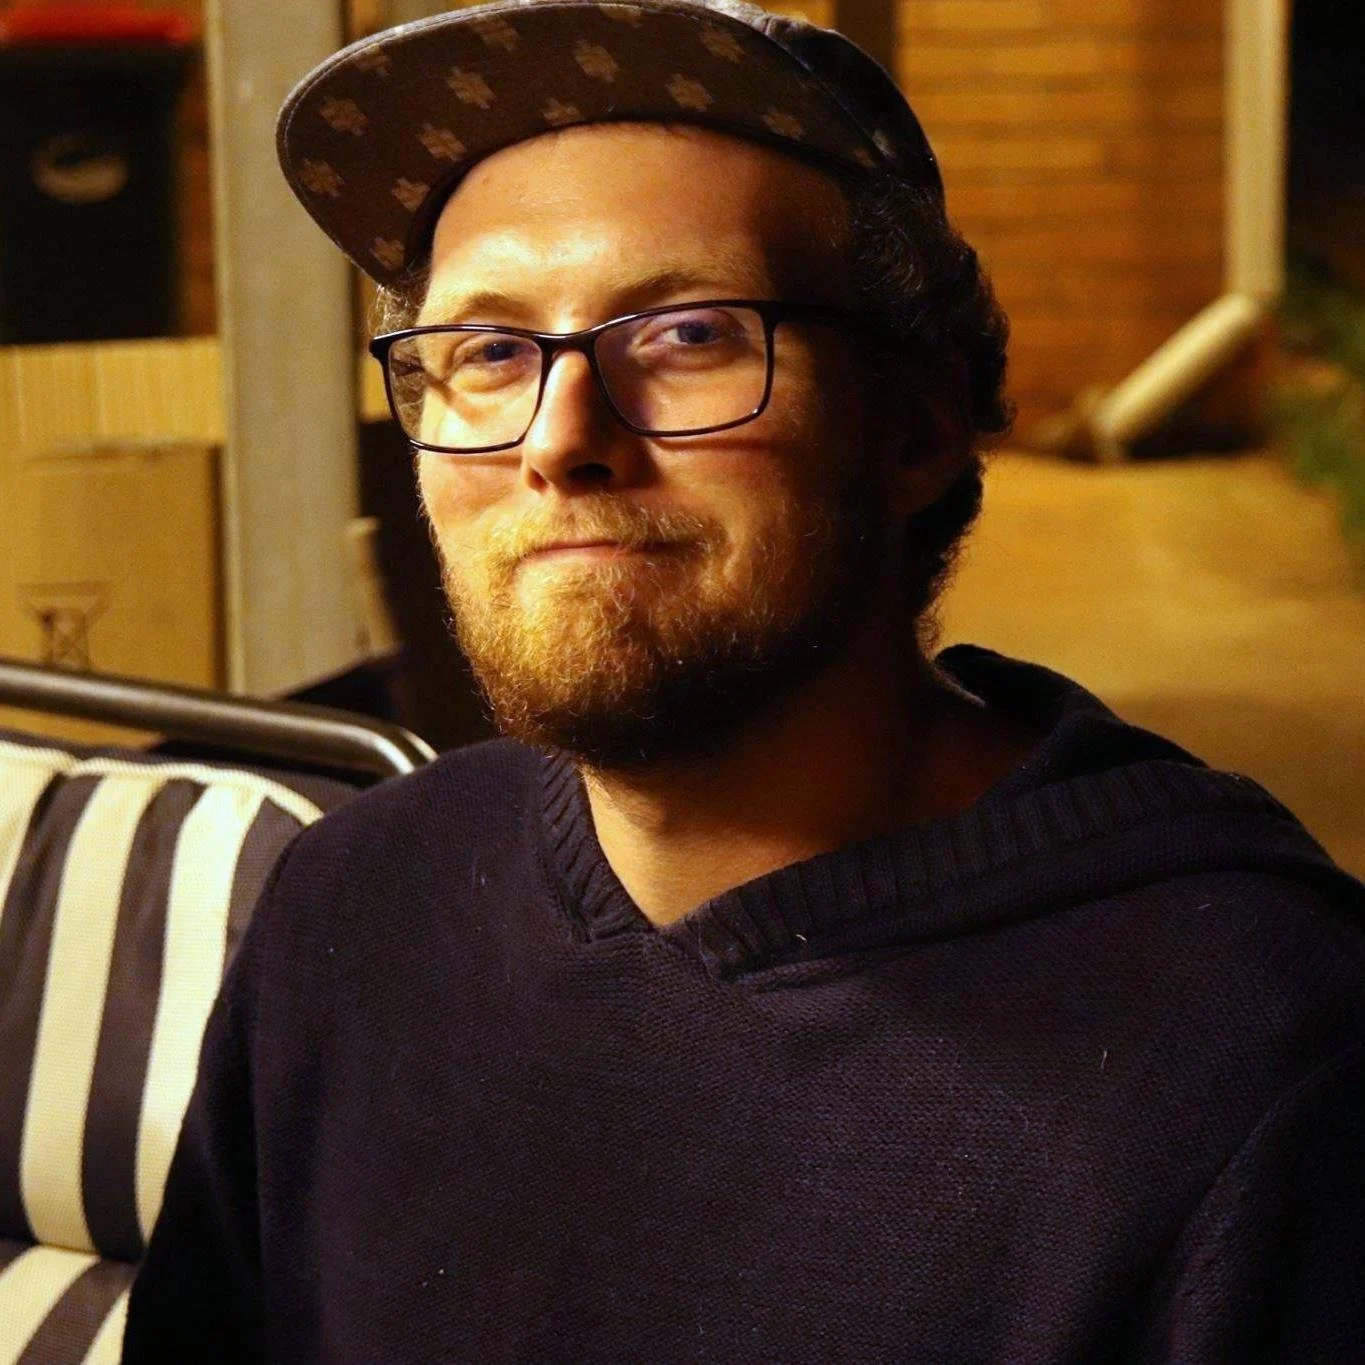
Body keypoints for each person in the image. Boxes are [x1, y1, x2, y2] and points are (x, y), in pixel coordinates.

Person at [124, 1, 1365, 1359]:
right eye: (488, 353)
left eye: (688, 334)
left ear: (919, 424)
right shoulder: (356, 904)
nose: (561, 439)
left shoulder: (1254, 1054)